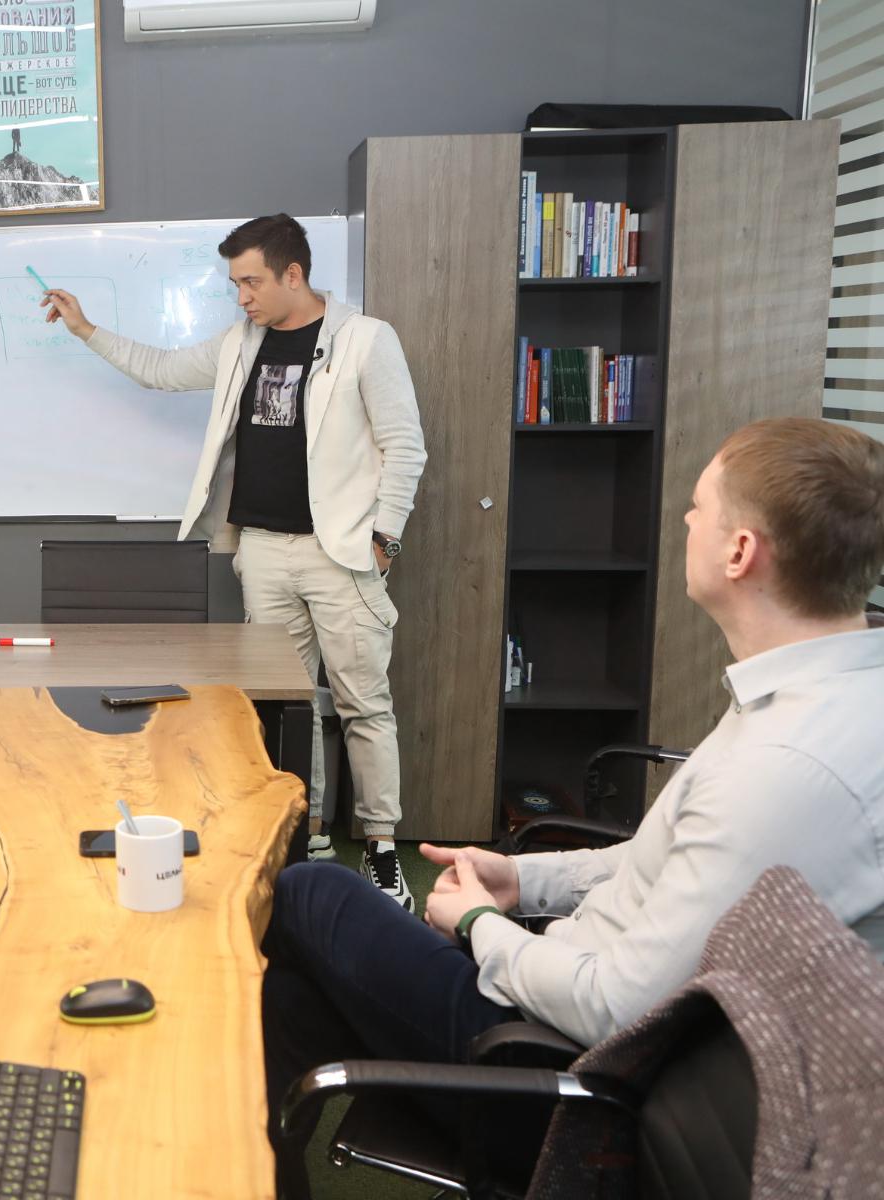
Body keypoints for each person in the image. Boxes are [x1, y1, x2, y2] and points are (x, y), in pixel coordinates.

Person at [260, 418, 884, 1136]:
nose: (685, 521)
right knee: (290, 1001)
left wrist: (481, 926)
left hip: (570, 1079)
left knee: (311, 889)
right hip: (562, 992)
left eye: (698, 507)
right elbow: (664, 860)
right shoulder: (810, 697)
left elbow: (617, 1009)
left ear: (740, 552)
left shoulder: (787, 769)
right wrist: (523, 880)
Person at [43, 213, 427, 907]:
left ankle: (380, 848)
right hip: (264, 551)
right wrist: (86, 329)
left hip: (342, 557)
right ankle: (305, 831)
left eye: (250, 282)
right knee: (286, 706)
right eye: (235, 284)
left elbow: (406, 446)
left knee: (364, 705)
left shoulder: (367, 340)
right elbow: (160, 371)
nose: (241, 296)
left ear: (293, 274)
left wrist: (384, 540)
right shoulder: (239, 343)